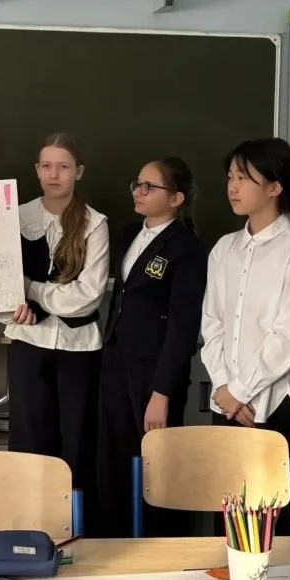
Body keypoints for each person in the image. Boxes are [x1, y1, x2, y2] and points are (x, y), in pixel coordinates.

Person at [200, 138, 290, 535]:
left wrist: (241, 390)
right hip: (227, 401)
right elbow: (212, 323)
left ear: (275, 187)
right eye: (230, 177)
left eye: (243, 178)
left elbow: (287, 337)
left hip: (278, 403)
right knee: (227, 518)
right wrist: (225, 388)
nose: (232, 187)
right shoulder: (224, 249)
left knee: (270, 526)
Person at [2, 134, 110, 530]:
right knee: (30, 441)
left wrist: (30, 290)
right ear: (36, 171)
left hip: (79, 349)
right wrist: (11, 309)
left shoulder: (95, 224)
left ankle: (76, 532)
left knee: (76, 442)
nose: (54, 174)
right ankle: (29, 529)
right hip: (28, 343)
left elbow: (87, 296)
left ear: (78, 172)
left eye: (63, 167)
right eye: (46, 166)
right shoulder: (13, 218)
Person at [96, 157, 206, 538]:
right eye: (137, 184)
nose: (139, 193)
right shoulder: (129, 233)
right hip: (116, 357)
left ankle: (161, 549)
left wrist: (162, 393)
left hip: (154, 370)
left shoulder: (186, 248)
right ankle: (115, 542)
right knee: (114, 457)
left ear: (176, 198)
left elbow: (183, 326)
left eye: (149, 187)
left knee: (156, 466)